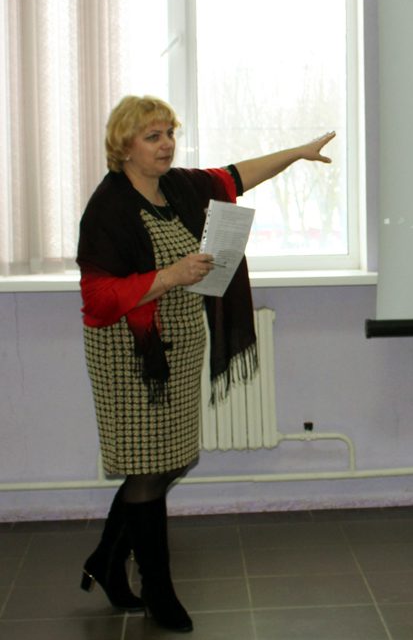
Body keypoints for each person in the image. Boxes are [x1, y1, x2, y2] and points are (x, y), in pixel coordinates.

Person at [77, 95, 334, 632]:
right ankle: (159, 591)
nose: (166, 144)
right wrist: (171, 275)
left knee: (168, 461)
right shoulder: (109, 207)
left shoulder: (178, 187)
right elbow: (98, 299)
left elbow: (235, 176)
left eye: (169, 133)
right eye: (153, 136)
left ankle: (106, 560)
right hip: (131, 353)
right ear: (124, 147)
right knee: (150, 469)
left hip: (179, 343)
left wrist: (297, 153)